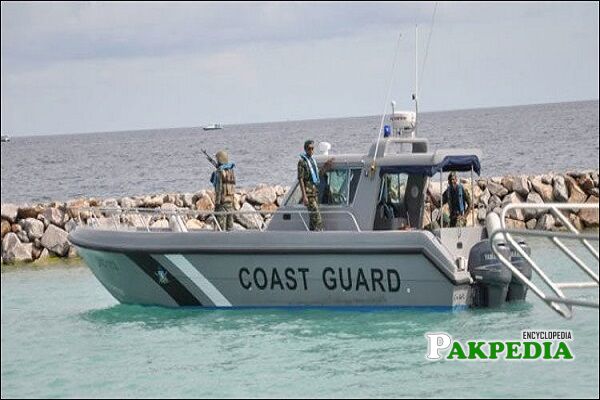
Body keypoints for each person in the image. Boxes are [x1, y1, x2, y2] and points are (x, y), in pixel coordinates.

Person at [298, 140, 333, 231]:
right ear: (305, 149)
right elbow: (300, 179)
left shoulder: (312, 161)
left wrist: (325, 166)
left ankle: (311, 236)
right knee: (317, 218)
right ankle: (320, 235)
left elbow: (317, 176)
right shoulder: (302, 162)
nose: (311, 150)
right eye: (309, 148)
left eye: (312, 148)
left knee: (312, 218)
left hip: (315, 193)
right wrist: (304, 196)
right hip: (309, 194)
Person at [210, 150, 236, 231]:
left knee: (220, 226)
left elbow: (217, 186)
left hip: (222, 202)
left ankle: (220, 241)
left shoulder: (219, 172)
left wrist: (217, 203)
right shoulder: (231, 171)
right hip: (230, 201)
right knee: (230, 224)